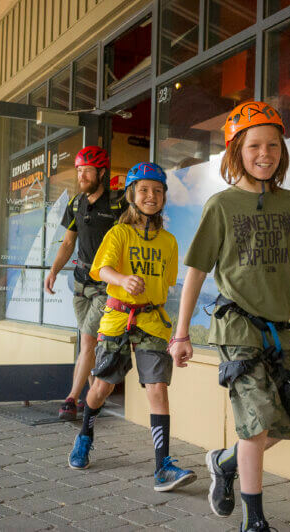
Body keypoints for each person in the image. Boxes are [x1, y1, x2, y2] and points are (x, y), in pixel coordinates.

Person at [169, 101, 290, 531]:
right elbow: (195, 271)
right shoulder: (221, 205)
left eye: (273, 145)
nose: (264, 154)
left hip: (280, 333)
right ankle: (255, 522)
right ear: (236, 151)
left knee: (278, 426)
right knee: (255, 427)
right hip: (237, 329)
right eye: (254, 146)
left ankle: (224, 461)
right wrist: (181, 335)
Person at [67, 162, 197, 492]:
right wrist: (123, 278)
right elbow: (102, 270)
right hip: (116, 317)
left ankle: (162, 467)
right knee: (102, 388)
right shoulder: (119, 233)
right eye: (144, 190)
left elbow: (166, 285)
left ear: (164, 197)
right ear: (131, 196)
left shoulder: (168, 242)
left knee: (157, 389)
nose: (151, 196)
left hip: (152, 320)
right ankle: (85, 434)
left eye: (157, 191)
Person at [45, 146, 125, 421]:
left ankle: (71, 399)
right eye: (79, 170)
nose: (81, 175)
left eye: (87, 171)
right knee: (86, 343)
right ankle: (94, 400)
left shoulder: (117, 204)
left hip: (105, 286)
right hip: (79, 285)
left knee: (88, 342)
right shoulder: (76, 203)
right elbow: (68, 243)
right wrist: (54, 270)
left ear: (101, 173)